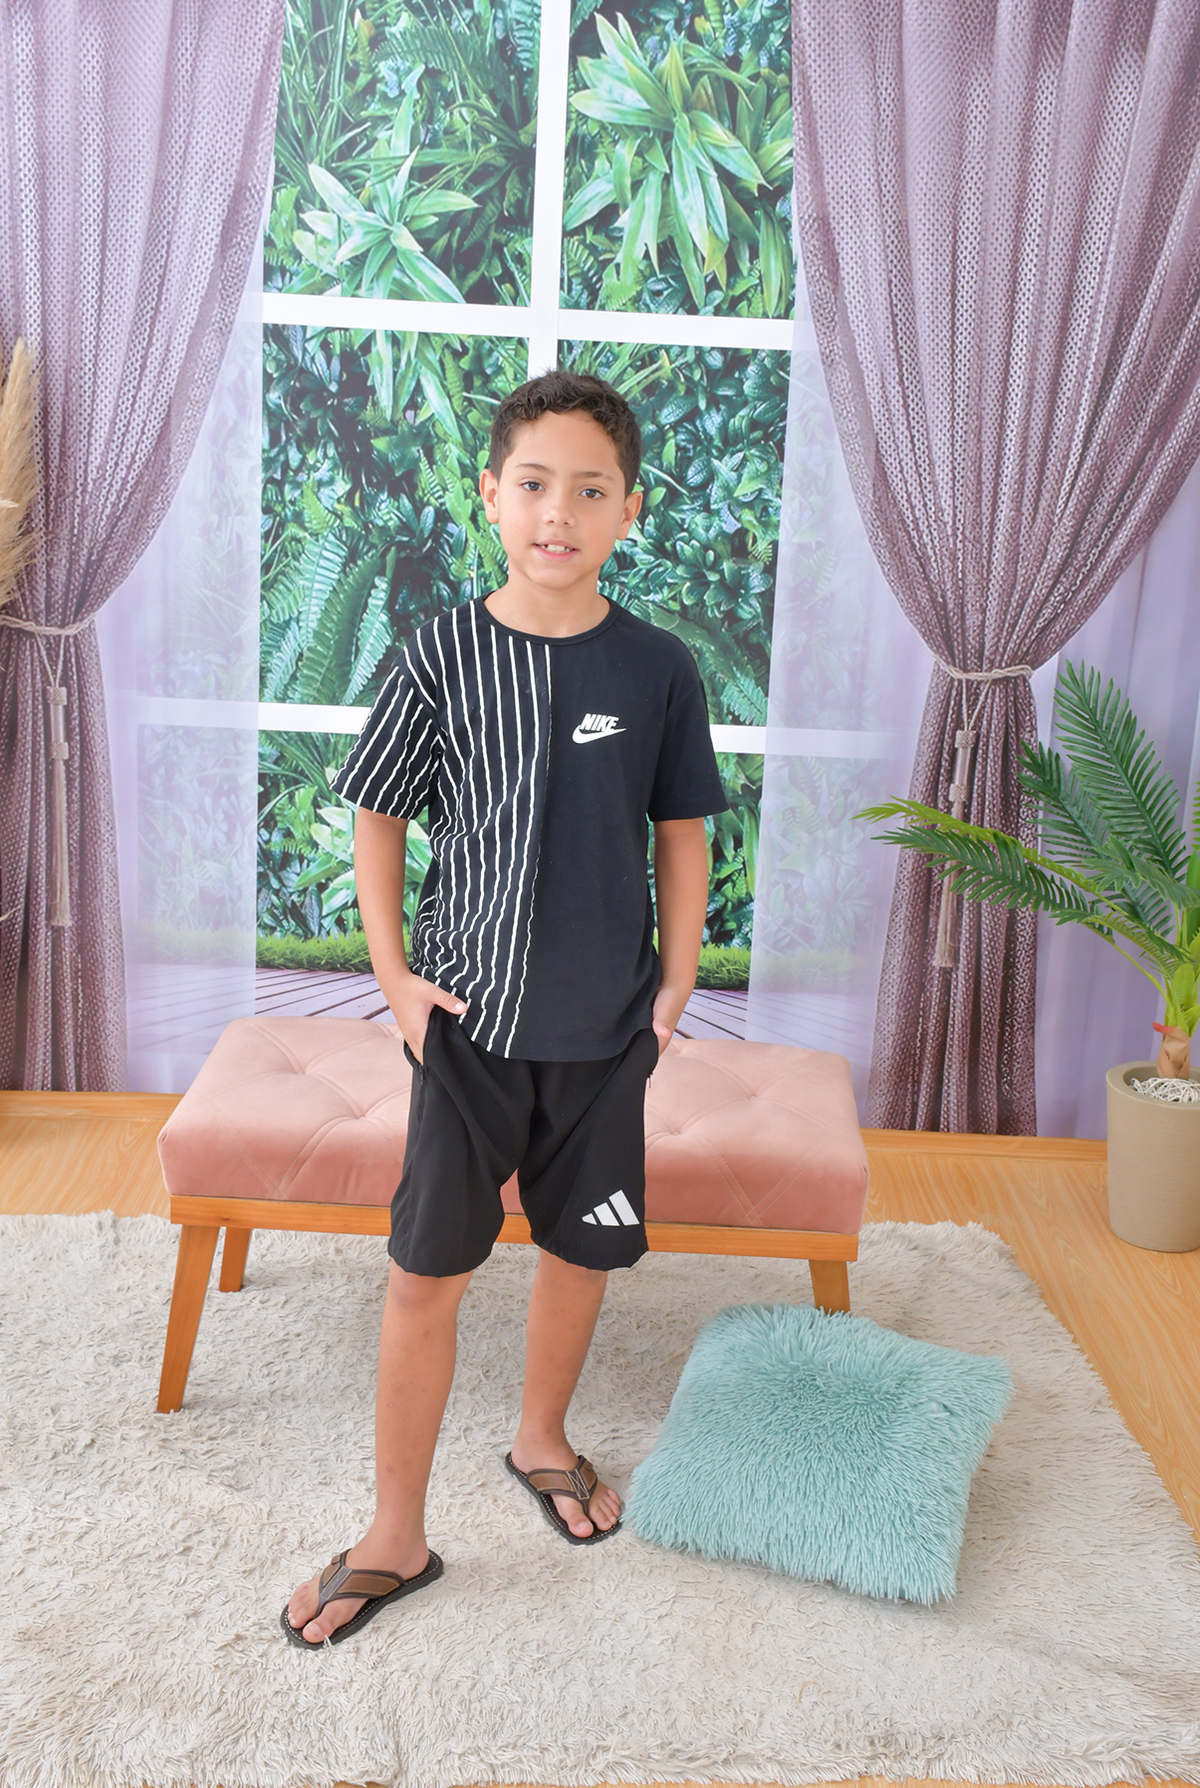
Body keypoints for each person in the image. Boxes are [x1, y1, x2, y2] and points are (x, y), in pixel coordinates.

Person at [282, 368, 727, 1648]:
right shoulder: (438, 653)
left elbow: (682, 829)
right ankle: (395, 1532)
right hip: (466, 1033)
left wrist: (677, 979)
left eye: (590, 490)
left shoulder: (659, 668)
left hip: (606, 1038)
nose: (558, 513)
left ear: (630, 510)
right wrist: (392, 978)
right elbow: (378, 814)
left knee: (582, 1253)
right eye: (534, 484)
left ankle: (542, 1436)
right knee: (425, 1274)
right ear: (491, 495)